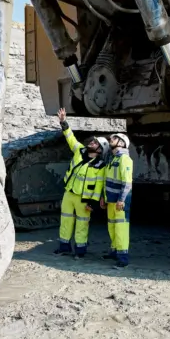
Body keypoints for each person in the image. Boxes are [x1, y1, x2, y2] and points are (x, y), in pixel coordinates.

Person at [54, 108, 109, 258]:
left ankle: (80, 251)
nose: (91, 142)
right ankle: (64, 247)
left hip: (84, 200)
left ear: (100, 149)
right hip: (69, 193)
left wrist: (92, 203)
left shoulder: (100, 165)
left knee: (82, 224)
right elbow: (70, 138)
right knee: (65, 221)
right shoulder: (80, 150)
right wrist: (63, 122)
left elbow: (98, 187)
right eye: (92, 141)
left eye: (95, 143)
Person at [101, 132, 133, 269]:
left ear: (121, 143)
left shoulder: (124, 159)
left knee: (121, 229)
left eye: (114, 138)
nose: (110, 139)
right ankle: (114, 251)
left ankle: (123, 258)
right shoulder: (113, 159)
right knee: (112, 227)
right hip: (110, 200)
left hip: (119, 201)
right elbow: (106, 181)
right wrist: (104, 197)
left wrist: (122, 199)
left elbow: (127, 182)